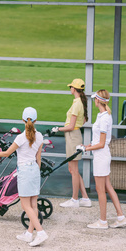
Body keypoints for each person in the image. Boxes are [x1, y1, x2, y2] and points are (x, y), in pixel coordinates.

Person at [0, 107, 48, 247]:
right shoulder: (41, 136)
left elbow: (6, 154)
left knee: (26, 205)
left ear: (22, 120)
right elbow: (38, 158)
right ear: (35, 120)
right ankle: (29, 234)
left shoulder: (21, 137)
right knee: (33, 204)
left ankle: (41, 232)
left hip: (24, 171)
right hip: (35, 170)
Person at [76, 90, 126, 229]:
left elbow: (102, 143)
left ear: (98, 101)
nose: (94, 101)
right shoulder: (102, 115)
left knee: (101, 189)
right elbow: (97, 141)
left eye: (95, 99)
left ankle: (103, 221)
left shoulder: (105, 118)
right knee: (108, 187)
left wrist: (86, 149)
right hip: (100, 155)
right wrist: (87, 145)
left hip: (101, 157)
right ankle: (121, 217)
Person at [52, 78, 91, 208]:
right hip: (74, 136)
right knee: (72, 169)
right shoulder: (80, 102)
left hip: (72, 136)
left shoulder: (77, 104)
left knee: (73, 170)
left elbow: (71, 126)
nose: (70, 89)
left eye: (71, 87)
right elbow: (84, 120)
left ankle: (74, 200)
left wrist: (57, 129)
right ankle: (85, 198)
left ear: (73, 89)